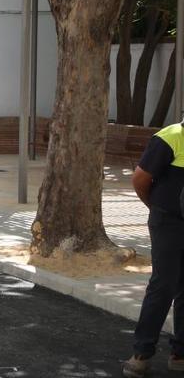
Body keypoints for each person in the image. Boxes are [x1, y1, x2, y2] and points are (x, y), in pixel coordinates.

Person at [121, 122, 184, 378]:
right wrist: (158, 208)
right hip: (168, 222)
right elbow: (140, 179)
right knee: (163, 285)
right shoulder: (171, 136)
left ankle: (180, 353)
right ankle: (142, 354)